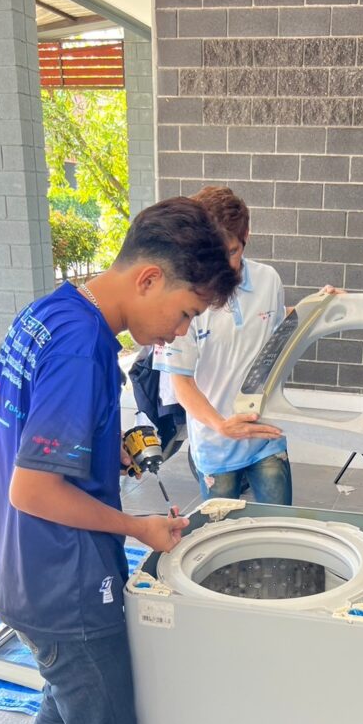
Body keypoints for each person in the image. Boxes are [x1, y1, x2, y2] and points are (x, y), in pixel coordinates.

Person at [0, 197, 238, 724]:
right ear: (149, 278)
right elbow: (32, 488)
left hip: (12, 565)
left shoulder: (47, 312)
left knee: (62, 700)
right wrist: (136, 527)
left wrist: (95, 450)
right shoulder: (85, 349)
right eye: (185, 313)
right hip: (62, 581)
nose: (180, 333)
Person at [154, 186, 292, 504]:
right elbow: (180, 383)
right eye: (213, 253)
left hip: (265, 434)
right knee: (222, 529)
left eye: (230, 252)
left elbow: (277, 323)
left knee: (280, 524)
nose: (221, 265)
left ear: (246, 237)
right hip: (215, 441)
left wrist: (322, 306)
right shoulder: (186, 295)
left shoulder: (269, 280)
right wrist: (221, 425)